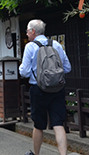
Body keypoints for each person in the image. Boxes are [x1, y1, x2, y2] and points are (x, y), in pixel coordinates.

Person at [19, 19, 72, 155]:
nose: (26, 33)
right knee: (58, 124)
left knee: (38, 125)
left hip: (38, 89)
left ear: (33, 31)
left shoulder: (30, 47)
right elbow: (67, 67)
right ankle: (63, 154)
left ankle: (36, 154)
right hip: (57, 89)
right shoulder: (56, 45)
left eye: (27, 30)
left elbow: (24, 72)